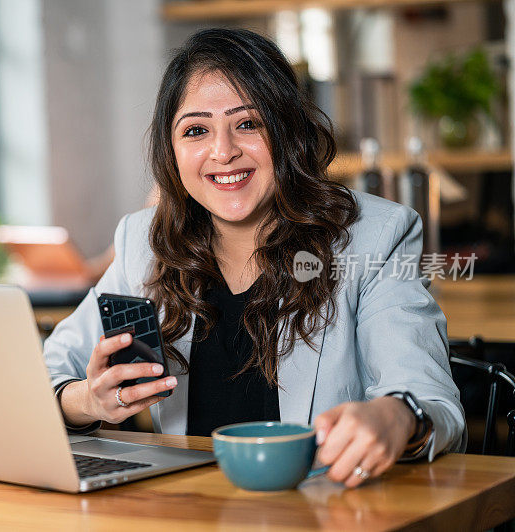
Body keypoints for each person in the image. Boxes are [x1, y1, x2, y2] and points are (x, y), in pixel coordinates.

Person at [43, 28, 466, 488]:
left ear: (287, 132)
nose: (223, 152)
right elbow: (47, 373)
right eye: (197, 130)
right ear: (172, 149)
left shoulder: (374, 237)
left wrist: (398, 415)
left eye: (248, 123)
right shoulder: (143, 242)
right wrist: (89, 401)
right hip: (187, 512)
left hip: (324, 509)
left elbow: (434, 404)